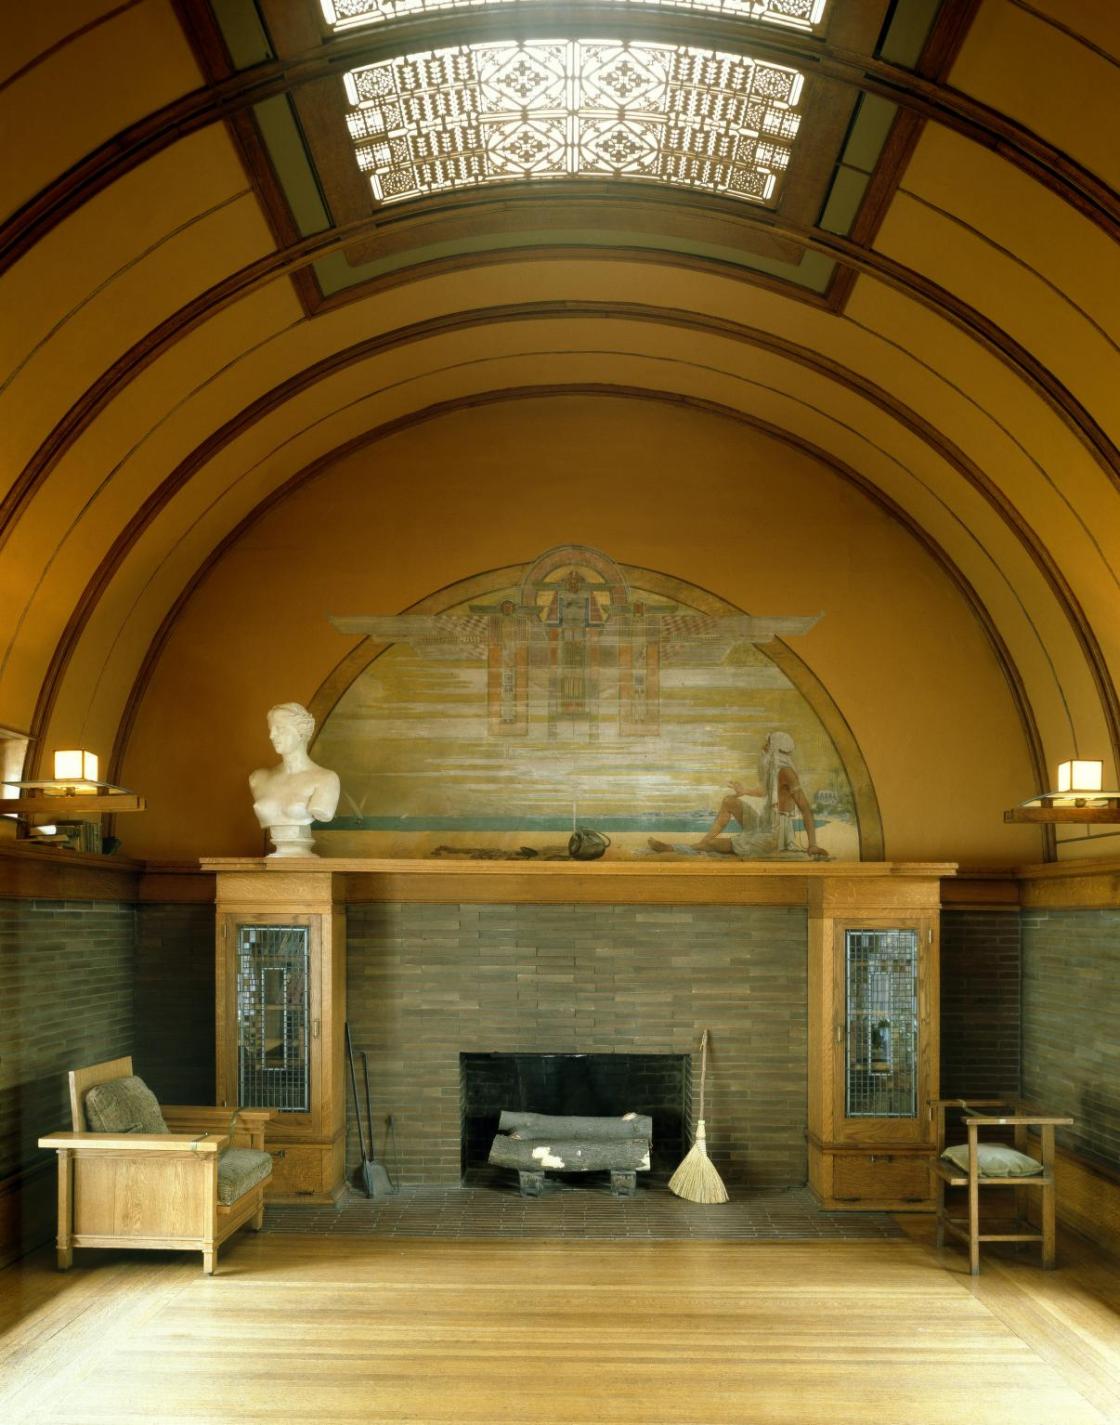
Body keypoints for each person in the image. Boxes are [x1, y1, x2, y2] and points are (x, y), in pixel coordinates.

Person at [649, 731, 828, 860]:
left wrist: (812, 844)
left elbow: (805, 810)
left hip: (775, 834)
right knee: (729, 801)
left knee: (715, 845)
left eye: (767, 745)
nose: (763, 749)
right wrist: (744, 792)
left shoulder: (787, 773)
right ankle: (701, 844)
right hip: (764, 822)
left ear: (774, 749)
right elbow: (767, 791)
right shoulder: (774, 771)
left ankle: (673, 848)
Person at [250, 703, 340, 857]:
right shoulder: (257, 779)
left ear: (301, 733)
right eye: (271, 729)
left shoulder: (326, 779)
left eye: (280, 729)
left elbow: (323, 811)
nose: (272, 735)